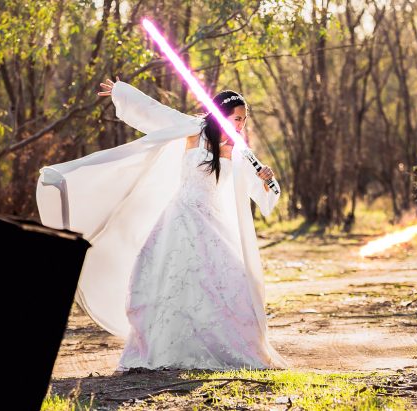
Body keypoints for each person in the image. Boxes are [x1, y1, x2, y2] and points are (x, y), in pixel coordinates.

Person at [36, 78, 287, 370]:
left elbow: (266, 193)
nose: (241, 125)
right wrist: (122, 92)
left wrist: (268, 181)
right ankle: (168, 347)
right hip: (180, 220)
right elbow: (155, 112)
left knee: (227, 283)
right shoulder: (193, 129)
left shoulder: (241, 152)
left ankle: (226, 346)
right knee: (170, 282)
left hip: (215, 225)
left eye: (244, 120)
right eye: (236, 118)